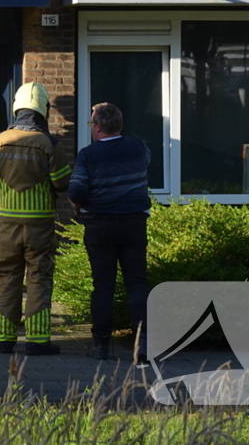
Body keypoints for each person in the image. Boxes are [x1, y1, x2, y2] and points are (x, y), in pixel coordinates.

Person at [0, 82, 71, 356]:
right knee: (39, 278)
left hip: (8, 226)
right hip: (39, 227)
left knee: (7, 278)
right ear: (43, 110)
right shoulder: (49, 143)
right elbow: (61, 183)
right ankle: (36, 340)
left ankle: (3, 338)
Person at [67, 102, 151, 363]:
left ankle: (102, 345)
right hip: (134, 224)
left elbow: (77, 191)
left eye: (92, 123)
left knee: (103, 286)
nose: (91, 128)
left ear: (99, 127)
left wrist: (76, 206)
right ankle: (143, 346)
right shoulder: (138, 147)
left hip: (100, 226)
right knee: (137, 284)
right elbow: (146, 162)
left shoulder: (88, 155)